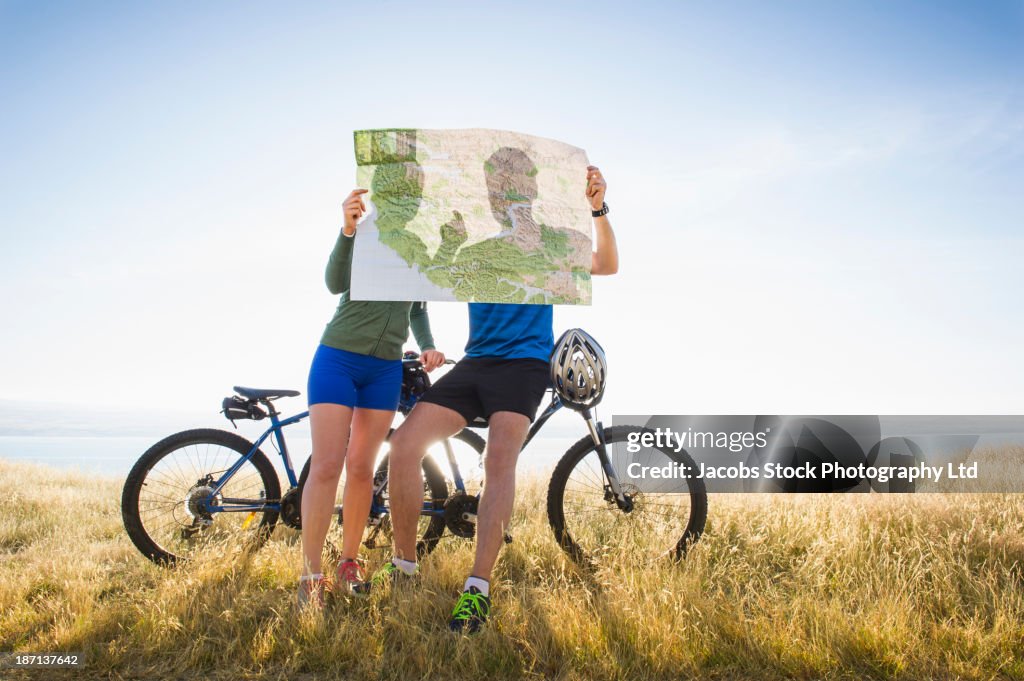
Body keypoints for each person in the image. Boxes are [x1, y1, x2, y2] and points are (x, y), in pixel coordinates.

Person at [358, 164, 619, 633]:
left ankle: (477, 590)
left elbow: (607, 264)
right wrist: (446, 240)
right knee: (403, 446)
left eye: (515, 187)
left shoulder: (553, 244)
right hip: (476, 363)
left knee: (499, 462)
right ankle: (403, 566)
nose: (507, 197)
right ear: (492, 198)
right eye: (499, 190)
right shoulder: (477, 249)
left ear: (533, 191)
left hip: (524, 366)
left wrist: (598, 207)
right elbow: (421, 278)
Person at [298, 187, 446, 609]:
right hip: (338, 359)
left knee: (361, 469)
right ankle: (310, 576)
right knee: (327, 465)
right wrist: (346, 230)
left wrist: (429, 344)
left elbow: (417, 309)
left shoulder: (417, 248)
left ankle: (349, 563)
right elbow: (333, 283)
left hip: (384, 367)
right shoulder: (366, 237)